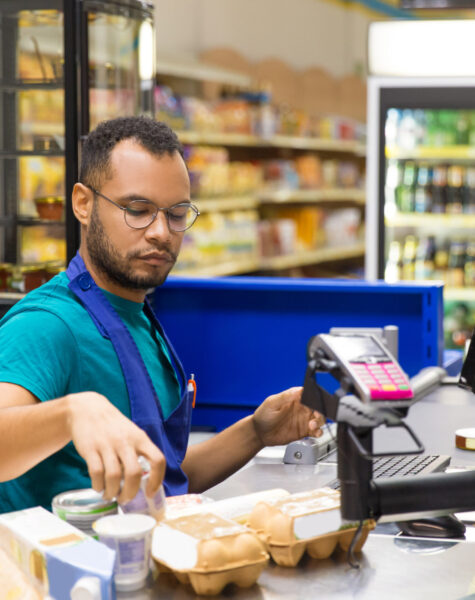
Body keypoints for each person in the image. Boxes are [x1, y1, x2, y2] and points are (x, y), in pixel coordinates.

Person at [0, 116, 324, 513]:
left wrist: (255, 431)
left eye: (176, 214)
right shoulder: (48, 326)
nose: (160, 232)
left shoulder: (139, 318)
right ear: (83, 204)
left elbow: (163, 479)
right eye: (138, 209)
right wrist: (71, 412)